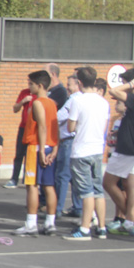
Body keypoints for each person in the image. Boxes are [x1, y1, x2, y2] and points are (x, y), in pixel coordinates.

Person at [63, 67, 114, 240]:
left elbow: (70, 127)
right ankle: (101, 227)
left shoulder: (78, 100)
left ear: (80, 82)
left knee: (86, 192)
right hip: (97, 149)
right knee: (97, 190)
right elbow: (105, 126)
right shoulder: (104, 102)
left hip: (81, 150)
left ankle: (85, 228)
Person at [104, 69, 134, 235]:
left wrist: (130, 85)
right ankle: (130, 220)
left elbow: (113, 91)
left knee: (108, 183)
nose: (123, 86)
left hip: (127, 149)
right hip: (133, 148)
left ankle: (130, 217)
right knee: (129, 185)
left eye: (125, 82)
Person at [14, 70, 59, 236]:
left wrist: (40, 149)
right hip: (49, 145)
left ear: (40, 85)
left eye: (31, 84)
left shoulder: (38, 103)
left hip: (36, 146)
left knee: (32, 185)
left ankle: (31, 223)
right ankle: (50, 223)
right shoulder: (52, 103)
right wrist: (54, 148)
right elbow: (55, 128)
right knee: (49, 186)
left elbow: (42, 126)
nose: (29, 87)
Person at [55, 73, 83, 219]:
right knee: (74, 176)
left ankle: (57, 208)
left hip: (68, 140)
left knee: (62, 175)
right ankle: (78, 207)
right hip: (75, 140)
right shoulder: (81, 99)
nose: (67, 87)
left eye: (70, 84)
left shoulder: (74, 99)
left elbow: (60, 116)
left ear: (78, 84)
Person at [4, 86, 34, 189]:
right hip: (23, 127)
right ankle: (14, 179)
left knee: (30, 155)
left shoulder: (40, 95)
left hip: (33, 129)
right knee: (19, 154)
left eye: (31, 83)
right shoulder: (24, 92)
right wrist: (23, 101)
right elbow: (15, 109)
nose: (30, 85)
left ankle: (28, 179)